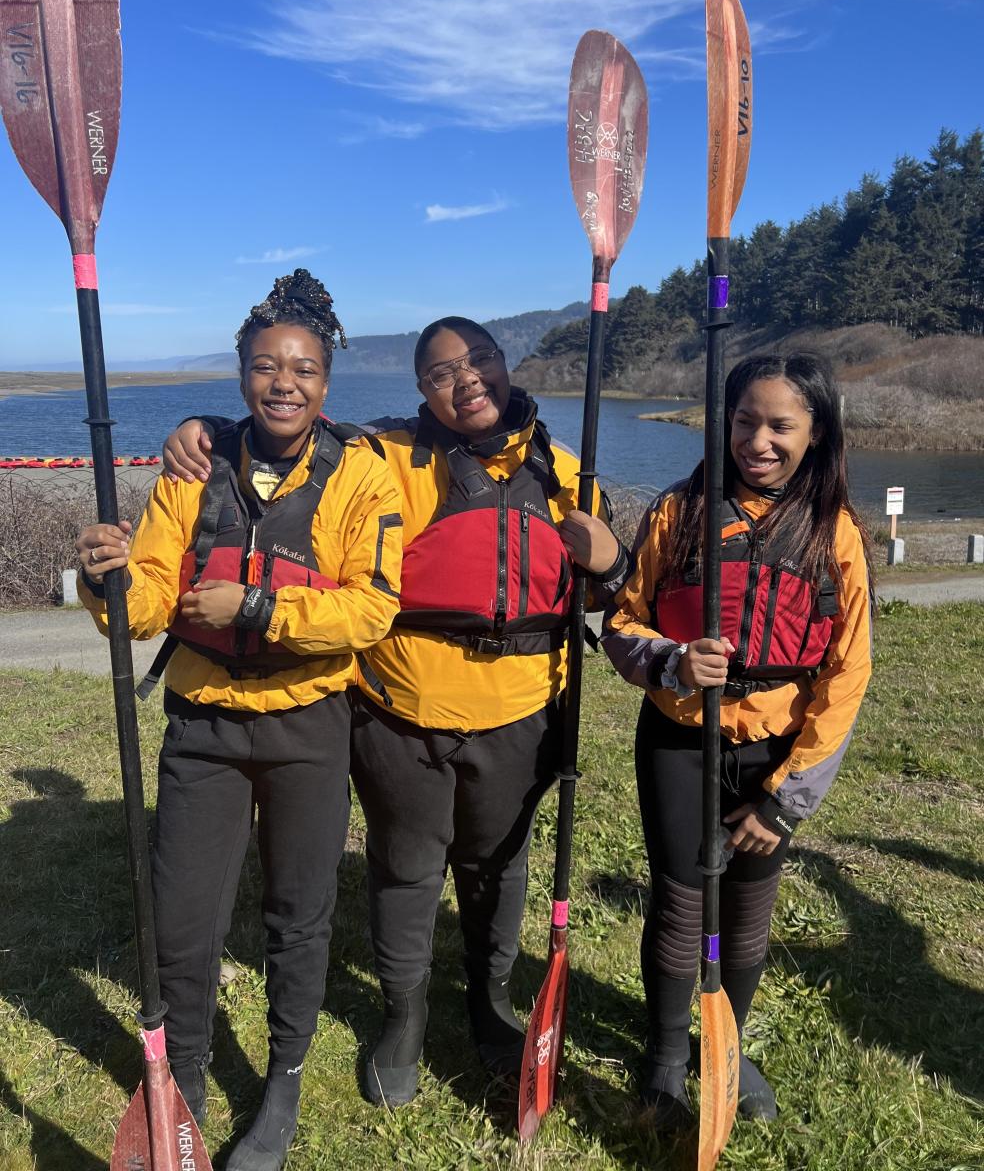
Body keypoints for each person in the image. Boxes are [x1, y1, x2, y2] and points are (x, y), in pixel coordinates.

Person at [162, 315, 630, 1107]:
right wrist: (205, 425)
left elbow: (615, 593)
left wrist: (611, 558)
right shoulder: (385, 456)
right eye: (443, 371)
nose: (468, 378)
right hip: (404, 712)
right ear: (421, 390)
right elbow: (291, 428)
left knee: (498, 865)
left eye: (480, 359)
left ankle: (490, 1001)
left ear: (506, 365)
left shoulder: (566, 470)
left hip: (521, 713)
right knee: (406, 868)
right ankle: (403, 1016)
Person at [77, 270, 403, 1171]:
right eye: (266, 366)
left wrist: (257, 608)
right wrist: (106, 581)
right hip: (205, 725)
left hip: (308, 724)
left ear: (327, 383)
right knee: (183, 918)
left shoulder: (362, 475)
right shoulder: (194, 463)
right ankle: (176, 1078)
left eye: (302, 368)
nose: (284, 382)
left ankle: (283, 1078)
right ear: (242, 374)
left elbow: (370, 610)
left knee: (298, 915)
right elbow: (147, 595)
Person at [602, 352, 873, 1129]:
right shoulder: (677, 511)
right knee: (683, 904)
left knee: (750, 908)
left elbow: (847, 674)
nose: (759, 439)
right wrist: (672, 659)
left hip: (775, 751)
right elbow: (622, 626)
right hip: (682, 739)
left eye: (782, 425)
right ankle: (662, 1054)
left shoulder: (836, 534)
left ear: (815, 434)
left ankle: (727, 1042)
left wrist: (786, 802)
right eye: (745, 420)